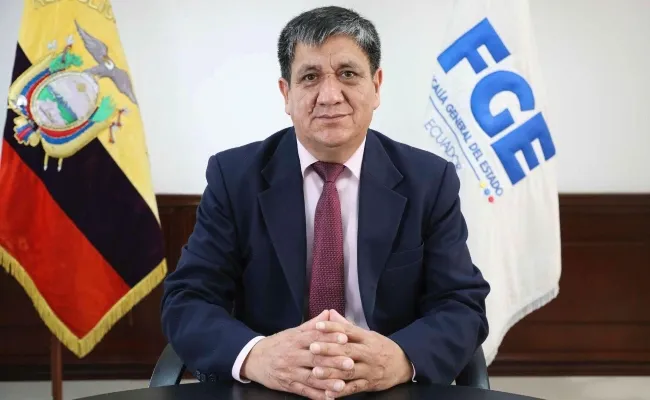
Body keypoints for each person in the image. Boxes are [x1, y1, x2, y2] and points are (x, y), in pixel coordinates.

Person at [160, 6, 490, 400]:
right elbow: (188, 299)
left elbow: (461, 304)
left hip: (387, 387)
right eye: (310, 77)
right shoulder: (234, 178)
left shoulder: (429, 180)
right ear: (286, 94)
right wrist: (257, 356)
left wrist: (402, 358)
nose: (330, 96)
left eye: (348, 74)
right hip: (270, 386)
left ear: (376, 86)